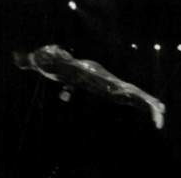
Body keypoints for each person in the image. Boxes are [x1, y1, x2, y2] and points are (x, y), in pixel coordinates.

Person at [14, 44, 166, 129]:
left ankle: (153, 103)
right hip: (85, 75)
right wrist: (69, 87)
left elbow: (67, 68)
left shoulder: (40, 60)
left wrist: (68, 89)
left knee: (120, 88)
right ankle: (152, 106)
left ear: (25, 65)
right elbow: (64, 59)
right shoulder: (42, 53)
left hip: (85, 73)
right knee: (121, 96)